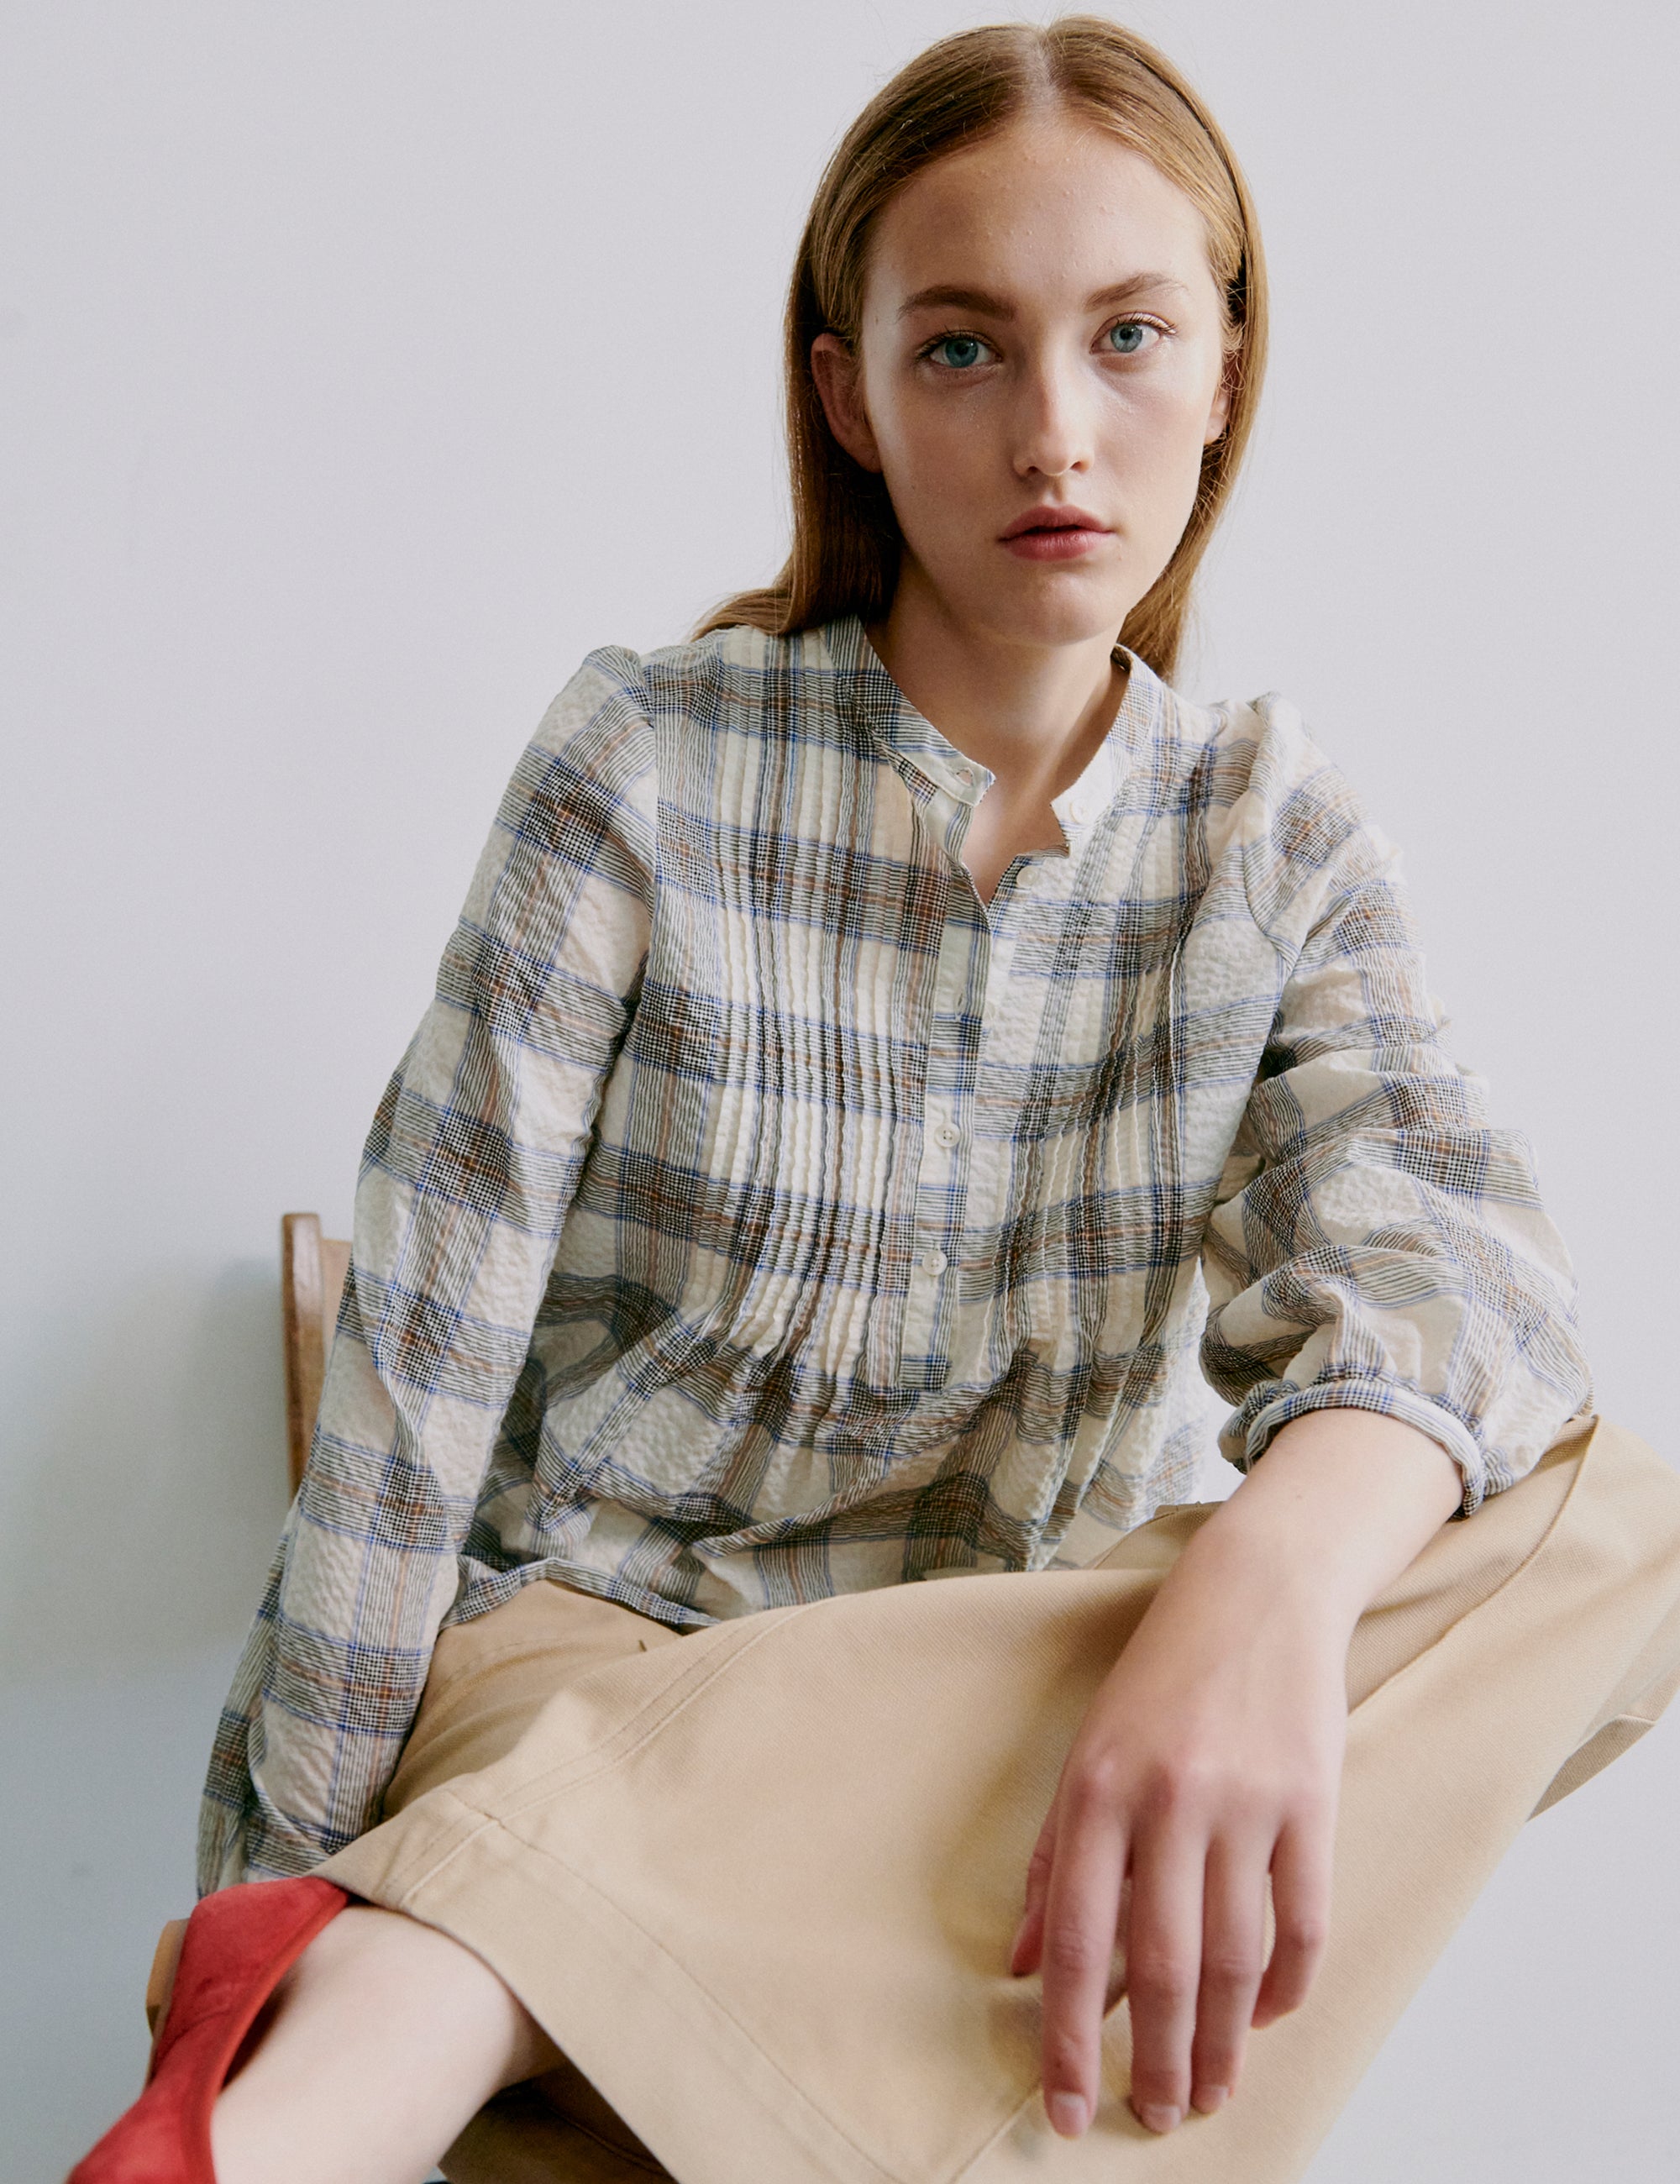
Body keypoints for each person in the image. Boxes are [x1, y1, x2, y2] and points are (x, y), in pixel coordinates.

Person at [71, 17, 1680, 2184]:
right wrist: (249, 1906)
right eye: (960, 349)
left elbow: (1467, 1274)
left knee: (1610, 1525)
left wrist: (1264, 1591)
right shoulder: (643, 765)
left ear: (1228, 363)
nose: (1054, 430)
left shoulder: (1269, 842)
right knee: (822, 1959)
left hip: (978, 1740)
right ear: (845, 390)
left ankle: (444, 1990)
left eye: (1129, 337)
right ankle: (414, 1997)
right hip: (590, 1668)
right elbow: (414, 1392)